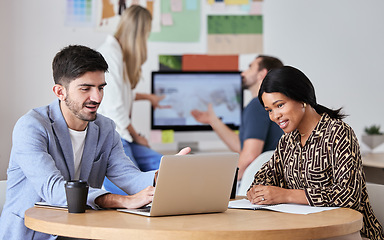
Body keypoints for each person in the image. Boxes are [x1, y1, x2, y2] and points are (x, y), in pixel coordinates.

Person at [0, 45, 190, 240]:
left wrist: (161, 176)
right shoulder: (31, 127)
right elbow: (53, 190)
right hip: (33, 234)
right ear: (60, 92)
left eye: (100, 88)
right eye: (86, 89)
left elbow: (127, 176)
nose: (97, 97)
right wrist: (121, 201)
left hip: (79, 231)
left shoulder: (105, 128)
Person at [247, 66, 383, 240]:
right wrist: (257, 192)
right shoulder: (287, 141)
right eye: (269, 110)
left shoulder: (338, 133)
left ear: (301, 98)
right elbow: (264, 177)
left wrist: (286, 195)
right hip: (303, 231)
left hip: (349, 233)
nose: (275, 116)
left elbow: (348, 196)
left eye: (279, 105)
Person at [97, 5, 167, 195]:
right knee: (137, 187)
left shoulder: (119, 55)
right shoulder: (110, 56)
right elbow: (115, 108)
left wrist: (148, 97)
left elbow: (121, 95)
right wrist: (138, 137)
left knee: (169, 169)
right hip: (116, 137)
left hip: (125, 137)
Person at [191, 55, 284, 180]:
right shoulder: (269, 106)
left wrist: (228, 183)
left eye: (250, 68)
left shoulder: (257, 105)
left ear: (261, 74)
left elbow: (250, 156)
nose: (243, 73)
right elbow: (244, 147)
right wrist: (212, 120)